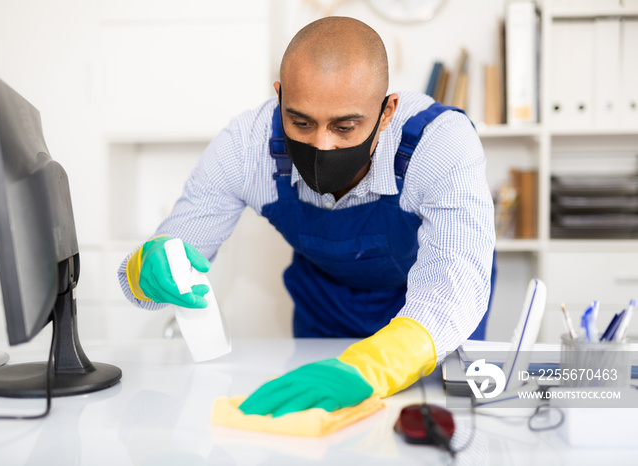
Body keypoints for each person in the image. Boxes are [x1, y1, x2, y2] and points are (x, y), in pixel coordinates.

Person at [120, 16, 495, 417]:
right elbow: (160, 265)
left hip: (430, 327)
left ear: (386, 113)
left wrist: (374, 366)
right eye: (300, 122)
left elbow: (454, 286)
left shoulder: (439, 144)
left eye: (345, 126)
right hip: (324, 315)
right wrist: (146, 270)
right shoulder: (247, 148)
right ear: (280, 97)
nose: (321, 144)